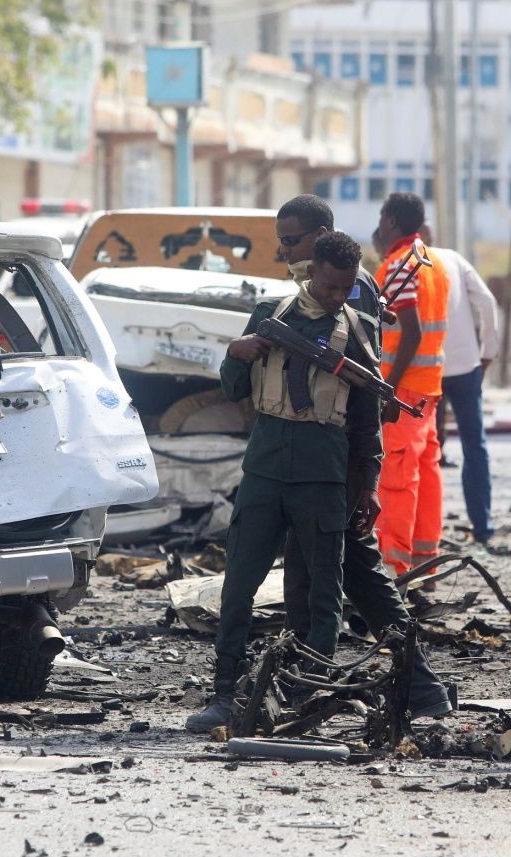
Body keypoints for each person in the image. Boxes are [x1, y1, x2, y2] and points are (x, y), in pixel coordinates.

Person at [186, 231, 383, 733]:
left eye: (347, 288)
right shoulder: (271, 314)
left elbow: (367, 421)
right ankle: (224, 692)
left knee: (324, 594)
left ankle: (309, 693)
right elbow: (232, 390)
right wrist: (238, 352)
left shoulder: (358, 331)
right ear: (312, 271)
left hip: (322, 473)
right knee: (239, 586)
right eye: (332, 286)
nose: (339, 296)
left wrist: (369, 484)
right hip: (266, 469)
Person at [272, 195, 452, 720]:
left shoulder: (354, 289)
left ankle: (393, 684)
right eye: (281, 241)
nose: (285, 250)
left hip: (342, 458)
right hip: (319, 459)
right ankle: (412, 687)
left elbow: (363, 383)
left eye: (292, 240)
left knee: (348, 572)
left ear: (321, 236)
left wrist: (362, 467)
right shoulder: (321, 289)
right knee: (337, 573)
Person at [373, 192, 450, 574]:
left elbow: (412, 333)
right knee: (425, 474)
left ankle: (396, 570)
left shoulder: (401, 264)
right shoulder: (434, 261)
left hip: (402, 392)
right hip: (428, 388)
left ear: (390, 221)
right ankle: (424, 565)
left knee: (397, 481)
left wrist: (387, 389)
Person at [429, 236, 500, 543]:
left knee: (426, 452)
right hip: (466, 366)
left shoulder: (405, 264)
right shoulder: (453, 258)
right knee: (474, 448)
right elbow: (487, 301)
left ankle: (429, 530)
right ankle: (482, 527)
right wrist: (488, 351)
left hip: (426, 369)